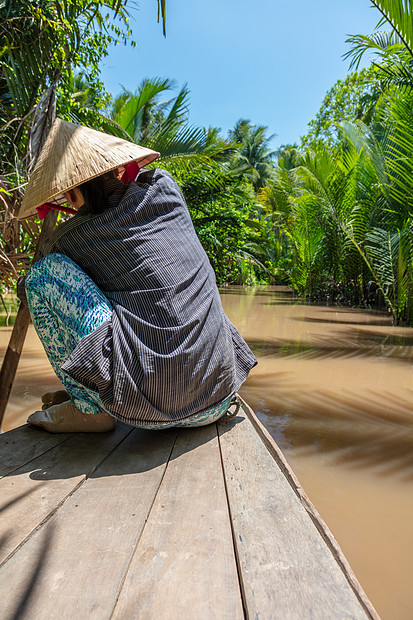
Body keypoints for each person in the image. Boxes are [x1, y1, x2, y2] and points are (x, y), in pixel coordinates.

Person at [18, 118, 257, 433]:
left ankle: (90, 409)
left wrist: (25, 287)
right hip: (220, 398)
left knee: (41, 278)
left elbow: (36, 292)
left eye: (65, 194)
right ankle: (95, 390)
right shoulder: (164, 187)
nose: (64, 202)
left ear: (74, 188)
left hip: (150, 412)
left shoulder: (70, 238)